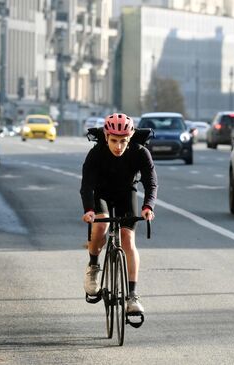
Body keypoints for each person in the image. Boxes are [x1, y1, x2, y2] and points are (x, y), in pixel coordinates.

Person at [80, 113, 157, 314]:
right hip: (101, 194)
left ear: (130, 137)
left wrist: (148, 206)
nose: (119, 146)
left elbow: (150, 182)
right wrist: (89, 210)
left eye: (123, 141)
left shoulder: (141, 153)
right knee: (102, 223)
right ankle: (93, 267)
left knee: (127, 239)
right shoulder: (96, 153)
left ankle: (132, 296)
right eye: (114, 141)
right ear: (106, 137)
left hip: (126, 193)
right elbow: (87, 185)